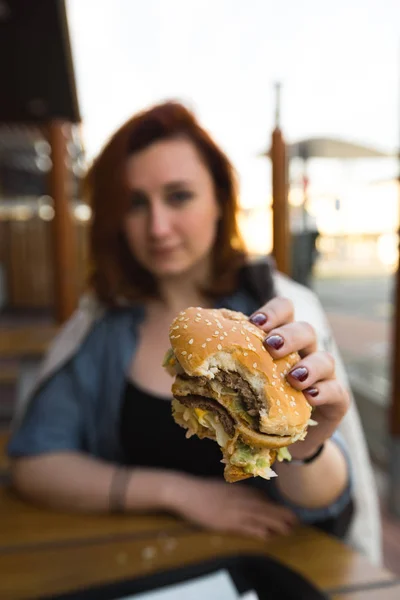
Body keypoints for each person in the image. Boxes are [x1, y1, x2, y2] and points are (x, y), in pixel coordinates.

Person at [7, 102, 377, 558]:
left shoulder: (280, 316)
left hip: (267, 564)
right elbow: (35, 462)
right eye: (136, 204)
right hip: (134, 560)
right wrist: (177, 493)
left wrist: (307, 446)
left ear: (220, 200)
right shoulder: (102, 325)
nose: (158, 227)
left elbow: (329, 507)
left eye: (179, 196)